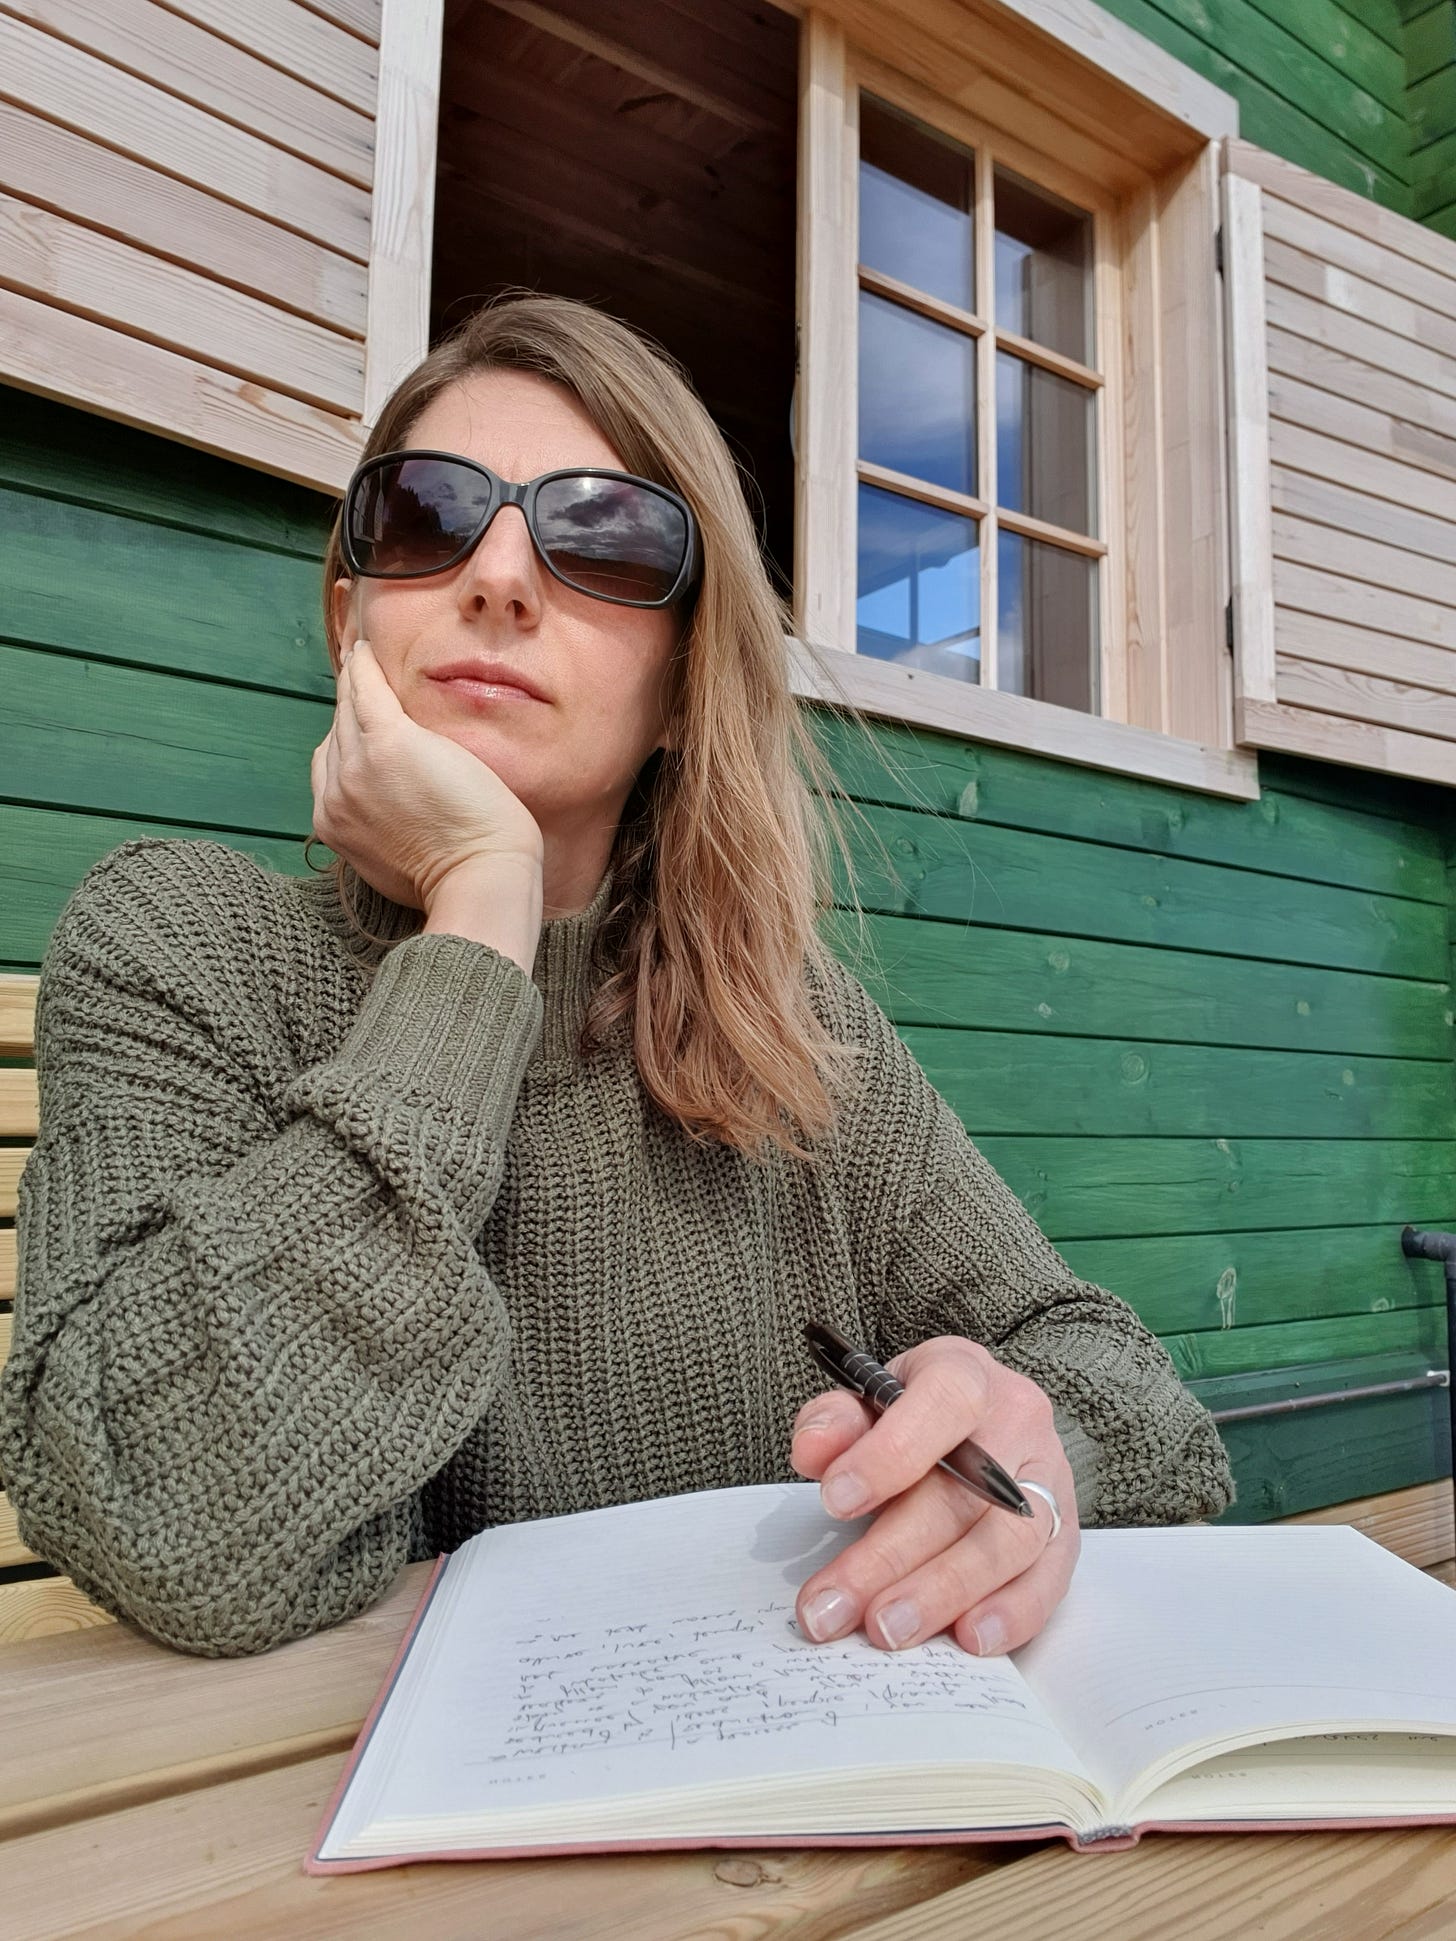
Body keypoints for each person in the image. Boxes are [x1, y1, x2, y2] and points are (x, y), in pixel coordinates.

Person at [0, 295, 1233, 1660]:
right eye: (425, 514)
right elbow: (168, 1520)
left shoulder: (797, 1034)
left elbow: (1135, 1396)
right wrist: (478, 911)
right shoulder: (179, 944)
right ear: (351, 613)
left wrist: (1034, 1445)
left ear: (678, 682)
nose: (502, 578)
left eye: (602, 538)